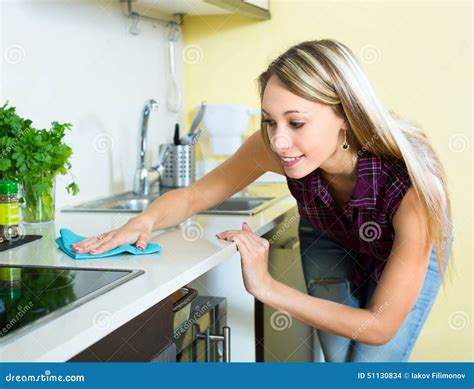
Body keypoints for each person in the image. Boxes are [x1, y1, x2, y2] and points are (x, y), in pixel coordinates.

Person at [72, 39, 454, 362]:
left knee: (369, 367)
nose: (278, 141)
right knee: (339, 361)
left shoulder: (413, 189)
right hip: (332, 234)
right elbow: (195, 196)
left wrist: (266, 286)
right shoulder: (273, 146)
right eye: (270, 121)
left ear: (344, 114)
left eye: (296, 122)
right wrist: (144, 221)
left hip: (401, 247)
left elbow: (379, 326)